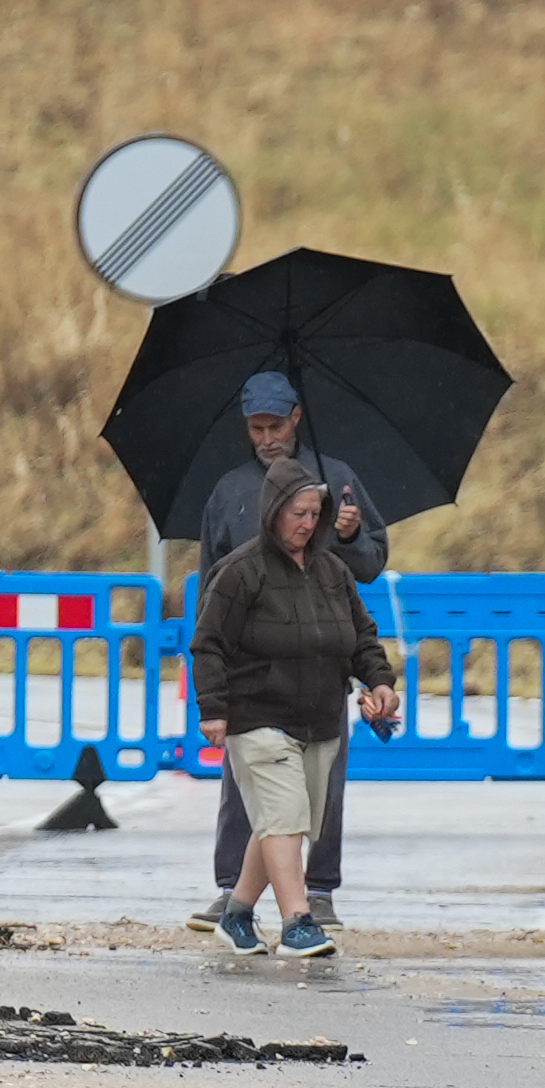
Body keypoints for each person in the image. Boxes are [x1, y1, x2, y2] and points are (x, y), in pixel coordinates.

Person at [189, 370, 386, 937]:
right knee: (248, 787)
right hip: (253, 678)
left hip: (320, 672)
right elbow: (210, 587)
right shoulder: (228, 491)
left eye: (275, 426)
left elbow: (370, 564)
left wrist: (348, 536)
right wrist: (211, 682)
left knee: (320, 789)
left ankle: (316, 889)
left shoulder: (338, 480)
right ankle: (243, 893)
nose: (267, 438)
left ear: (297, 417)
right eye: (256, 428)